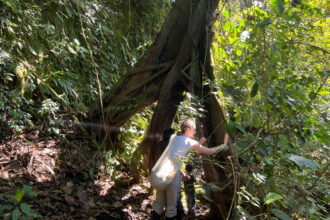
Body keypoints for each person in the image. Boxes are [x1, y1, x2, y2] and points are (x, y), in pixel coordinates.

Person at [151, 119, 229, 220]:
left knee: (158, 204)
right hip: (173, 176)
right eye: (194, 130)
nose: (195, 132)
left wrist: (199, 143)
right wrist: (223, 146)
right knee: (171, 207)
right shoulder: (190, 142)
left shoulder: (174, 137)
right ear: (188, 129)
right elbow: (209, 151)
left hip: (162, 173)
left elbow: (180, 149)